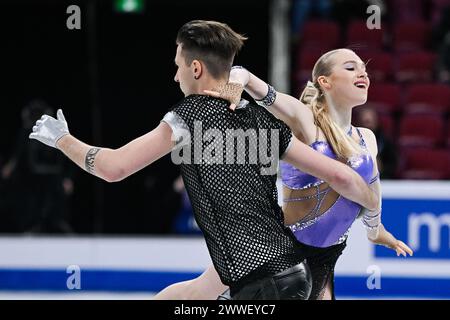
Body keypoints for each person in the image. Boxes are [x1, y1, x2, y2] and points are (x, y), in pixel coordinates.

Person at [29, 21, 379, 300]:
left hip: (261, 284)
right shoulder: (261, 120)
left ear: (196, 67)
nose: (175, 75)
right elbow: (342, 176)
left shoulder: (189, 116)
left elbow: (113, 168)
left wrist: (62, 140)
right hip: (290, 275)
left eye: (178, 66)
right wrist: (374, 212)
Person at [155, 48, 412, 300]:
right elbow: (243, 74)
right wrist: (232, 89)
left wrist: (375, 229)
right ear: (325, 82)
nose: (363, 73)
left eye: (365, 69)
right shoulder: (305, 121)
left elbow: (373, 188)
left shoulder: (366, 138)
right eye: (351, 67)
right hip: (278, 249)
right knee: (197, 294)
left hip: (325, 257)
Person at [2, 99, 74, 233]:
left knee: (54, 203)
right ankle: (31, 227)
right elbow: (18, 152)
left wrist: (68, 177)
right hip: (33, 176)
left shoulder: (56, 132)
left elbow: (69, 155)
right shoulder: (26, 132)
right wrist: (10, 166)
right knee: (32, 202)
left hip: (53, 175)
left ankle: (59, 227)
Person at [356, 107, 397, 179]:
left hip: (384, 179)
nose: (368, 126)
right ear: (360, 122)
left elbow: (393, 164)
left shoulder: (385, 141)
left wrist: (382, 168)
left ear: (376, 121)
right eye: (365, 122)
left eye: (370, 122)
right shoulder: (353, 139)